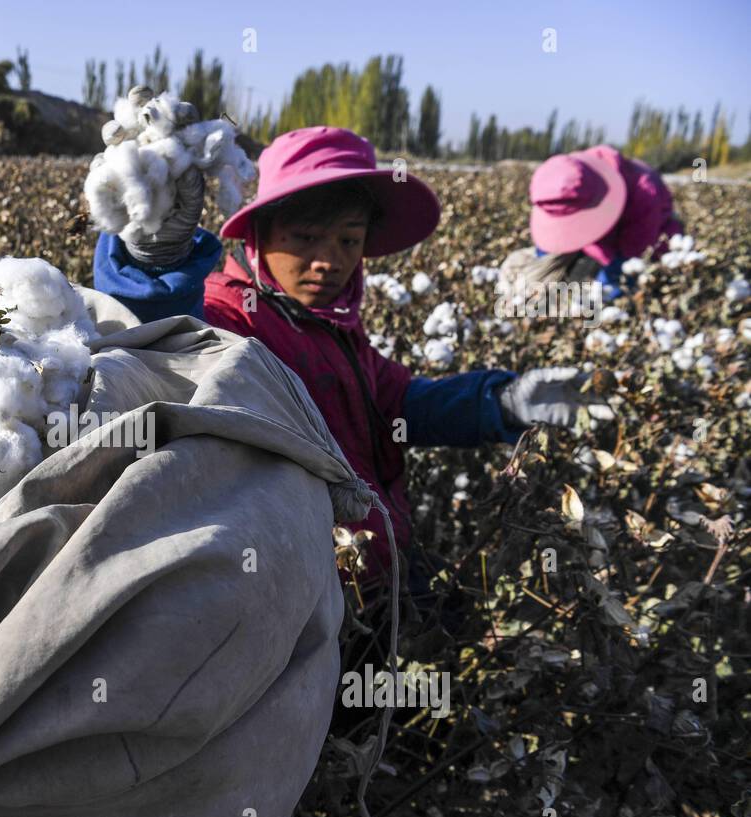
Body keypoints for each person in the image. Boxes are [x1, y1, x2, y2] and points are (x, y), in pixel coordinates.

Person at [92, 120, 613, 592]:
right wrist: (153, 264)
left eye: (348, 239)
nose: (329, 261)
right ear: (257, 236)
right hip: (316, 601)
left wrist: (499, 401)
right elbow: (169, 346)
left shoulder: (331, 323)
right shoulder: (238, 318)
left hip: (378, 576)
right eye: (305, 238)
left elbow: (395, 402)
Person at [503, 144, 683, 304]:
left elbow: (631, 256)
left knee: (615, 291)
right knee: (537, 276)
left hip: (651, 237)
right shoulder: (572, 173)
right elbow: (552, 245)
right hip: (603, 231)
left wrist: (597, 301)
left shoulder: (644, 195)